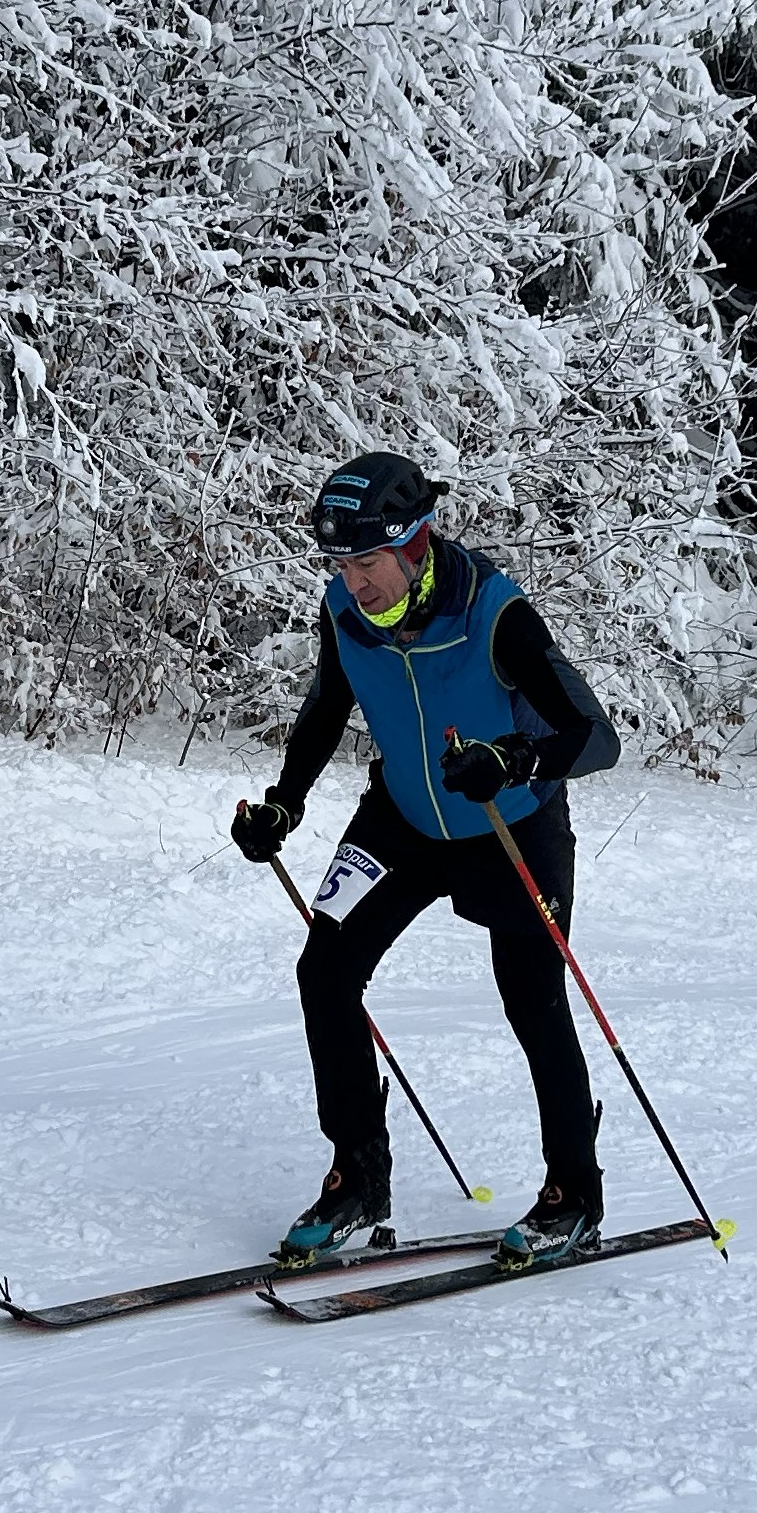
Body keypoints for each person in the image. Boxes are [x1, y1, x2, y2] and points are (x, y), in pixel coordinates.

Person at [232, 451, 620, 1268]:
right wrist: (284, 803)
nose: (353, 582)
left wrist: (516, 759)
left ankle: (573, 1194)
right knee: (325, 972)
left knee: (532, 1000)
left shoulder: (494, 613)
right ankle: (359, 1180)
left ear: (415, 545)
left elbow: (595, 736)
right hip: (404, 818)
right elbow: (327, 705)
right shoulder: (344, 611)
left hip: (509, 822)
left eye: (367, 563)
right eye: (340, 565)